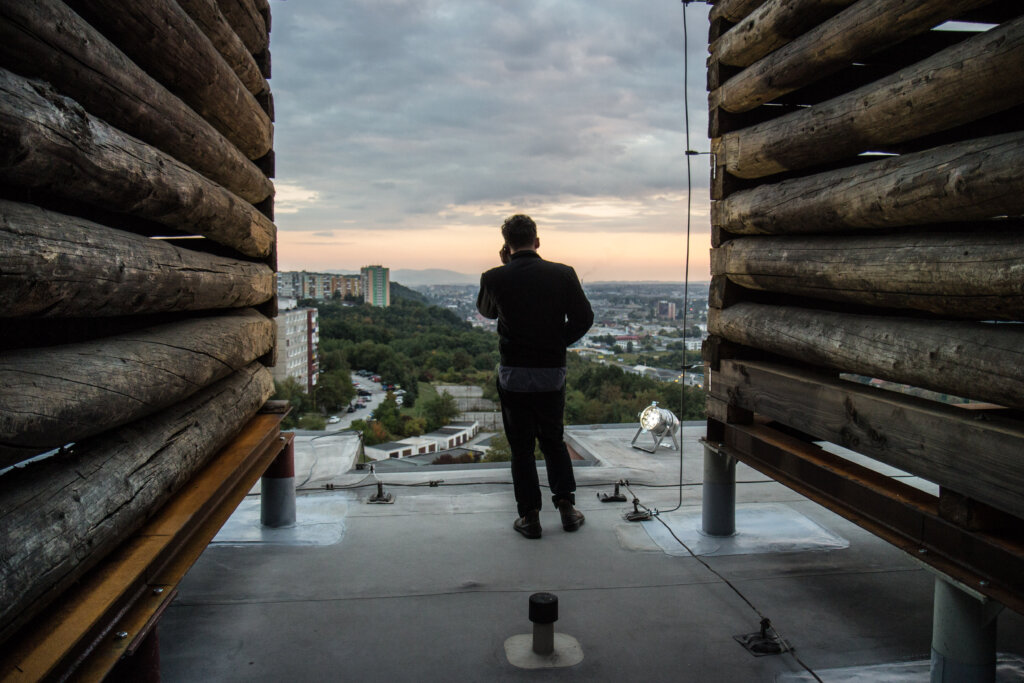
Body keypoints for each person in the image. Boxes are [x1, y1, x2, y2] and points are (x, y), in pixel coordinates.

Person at [477, 214, 594, 539]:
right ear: (537, 241)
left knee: (522, 447)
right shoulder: (563, 273)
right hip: (550, 372)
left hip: (514, 373)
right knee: (553, 440)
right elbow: (585, 318)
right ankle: (567, 509)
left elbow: (487, 311)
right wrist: (556, 343)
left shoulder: (494, 276)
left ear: (506, 245)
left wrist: (504, 266)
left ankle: (530, 517)